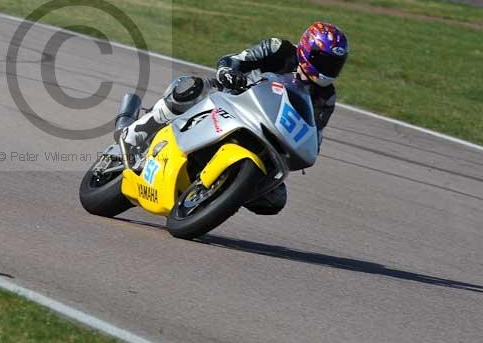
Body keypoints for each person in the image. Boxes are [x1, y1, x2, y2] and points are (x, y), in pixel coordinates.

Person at [121, 21, 349, 215]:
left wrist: (306, 150)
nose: (328, 68)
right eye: (323, 60)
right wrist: (229, 72)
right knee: (190, 88)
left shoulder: (325, 97)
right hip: (231, 101)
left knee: (275, 199)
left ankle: (220, 193)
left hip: (268, 134)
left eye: (335, 64)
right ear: (307, 50)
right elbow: (236, 59)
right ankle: (135, 133)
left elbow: (314, 133)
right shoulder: (279, 49)